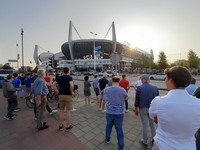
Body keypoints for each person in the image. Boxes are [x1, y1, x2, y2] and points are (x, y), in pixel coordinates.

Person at [149, 66, 200, 150]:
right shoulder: (198, 104)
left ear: (171, 80)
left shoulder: (158, 102)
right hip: (189, 147)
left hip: (162, 146)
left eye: (166, 78)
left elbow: (153, 117)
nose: (165, 80)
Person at [134, 74, 158, 148]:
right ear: (148, 80)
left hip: (143, 108)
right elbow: (157, 100)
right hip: (152, 108)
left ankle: (144, 141)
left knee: (145, 125)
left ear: (143, 80)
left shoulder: (139, 88)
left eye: (141, 79)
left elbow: (137, 100)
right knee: (152, 125)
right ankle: (154, 139)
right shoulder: (155, 88)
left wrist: (136, 109)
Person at [104, 76, 128, 150]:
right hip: (119, 113)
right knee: (119, 129)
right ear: (119, 81)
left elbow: (105, 96)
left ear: (112, 81)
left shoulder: (107, 89)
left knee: (108, 126)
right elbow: (126, 98)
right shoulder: (122, 90)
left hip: (109, 112)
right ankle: (121, 146)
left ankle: (107, 139)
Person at [52, 67, 74, 131]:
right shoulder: (70, 78)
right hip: (68, 96)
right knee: (68, 111)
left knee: (61, 111)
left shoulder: (59, 78)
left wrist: (57, 91)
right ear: (68, 71)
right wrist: (72, 92)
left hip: (61, 96)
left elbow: (53, 85)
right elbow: (71, 86)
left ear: (63, 71)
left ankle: (60, 126)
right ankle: (67, 126)